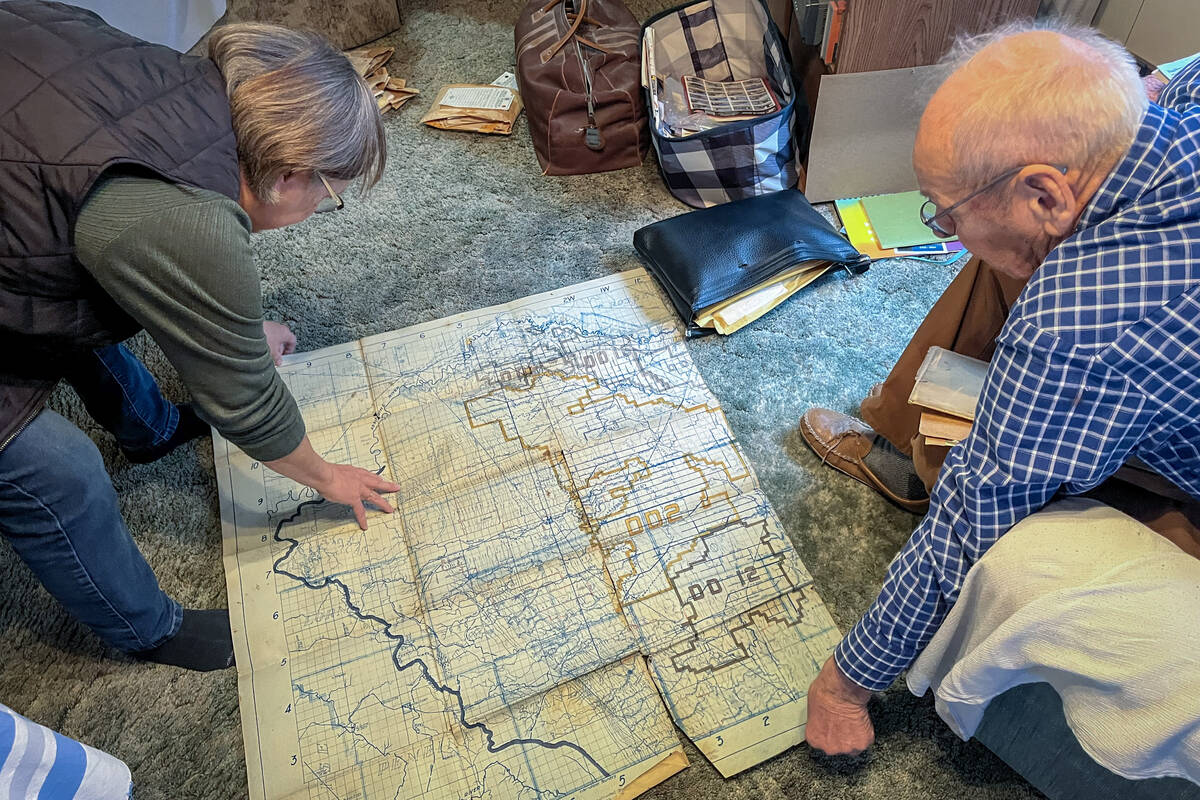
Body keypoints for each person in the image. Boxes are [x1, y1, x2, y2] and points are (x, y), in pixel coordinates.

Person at [797, 22, 1200, 755]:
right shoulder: (1183, 97)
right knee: (1004, 252)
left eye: (946, 211)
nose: (943, 228)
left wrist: (842, 686)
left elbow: (965, 528)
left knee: (982, 495)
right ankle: (904, 427)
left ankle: (930, 460)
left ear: (1047, 189)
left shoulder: (1076, 326)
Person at [0, 2, 400, 671]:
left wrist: (228, 324)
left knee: (73, 291)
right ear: (291, 173)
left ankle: (149, 429)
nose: (315, 213)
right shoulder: (188, 224)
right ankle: (150, 629)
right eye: (327, 197)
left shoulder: (187, 85)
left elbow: (117, 237)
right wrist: (325, 475)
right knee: (55, 473)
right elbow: (244, 400)